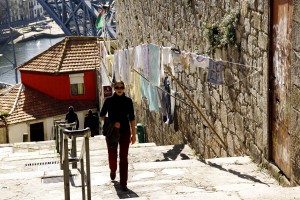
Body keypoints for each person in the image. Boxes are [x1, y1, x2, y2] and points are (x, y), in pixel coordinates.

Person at [100, 81, 136, 191]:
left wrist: (134, 134)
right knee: (112, 154)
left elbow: (132, 118)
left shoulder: (128, 101)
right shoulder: (109, 101)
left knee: (124, 157)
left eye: (121, 87)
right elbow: (102, 116)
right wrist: (112, 123)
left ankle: (123, 183)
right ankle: (113, 169)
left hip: (125, 130)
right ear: (114, 88)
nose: (119, 89)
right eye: (117, 87)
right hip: (112, 131)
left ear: (124, 88)